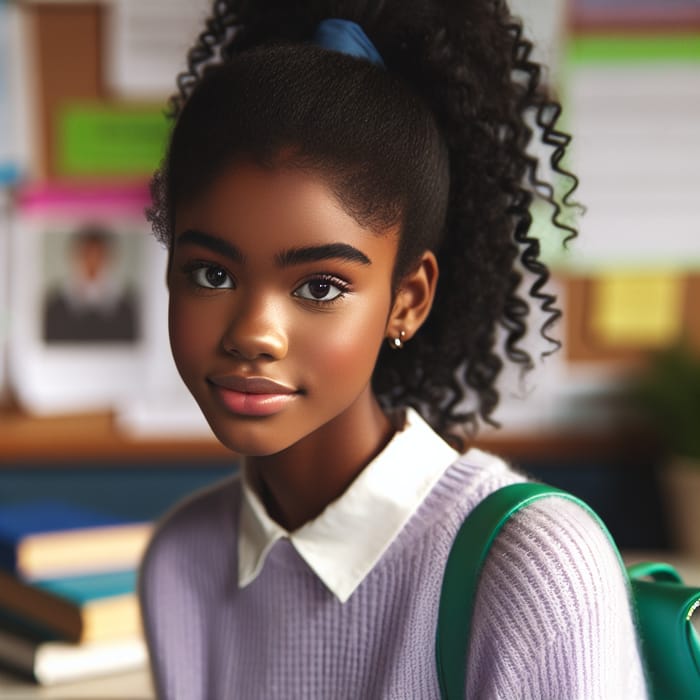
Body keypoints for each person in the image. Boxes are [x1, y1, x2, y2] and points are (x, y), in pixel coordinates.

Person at [139, 2, 648, 698]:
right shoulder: (182, 564)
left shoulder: (533, 565)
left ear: (406, 299)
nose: (253, 332)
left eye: (319, 285)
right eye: (211, 273)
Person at [43, 225, 138, 343]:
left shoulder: (126, 306)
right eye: (87, 255)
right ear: (76, 257)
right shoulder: (55, 306)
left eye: (98, 256)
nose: (92, 264)